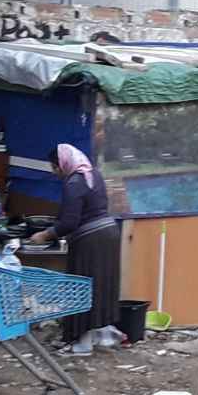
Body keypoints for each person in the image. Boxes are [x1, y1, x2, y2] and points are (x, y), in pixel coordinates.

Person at [27, 143, 120, 344]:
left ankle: (82, 342)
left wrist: (45, 235)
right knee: (102, 287)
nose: (54, 172)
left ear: (62, 164)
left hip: (91, 241)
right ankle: (103, 336)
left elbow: (69, 222)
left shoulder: (73, 183)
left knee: (82, 289)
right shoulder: (93, 174)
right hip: (109, 235)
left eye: (54, 167)